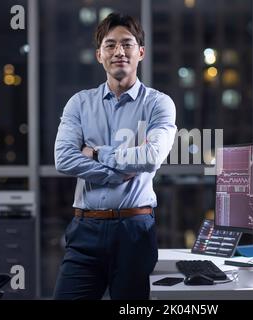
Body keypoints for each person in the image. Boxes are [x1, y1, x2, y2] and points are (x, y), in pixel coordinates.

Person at [53, 13, 177, 300]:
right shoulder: (79, 104)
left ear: (140, 52)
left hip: (134, 231)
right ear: (99, 55)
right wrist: (119, 172)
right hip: (85, 230)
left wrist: (97, 153)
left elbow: (151, 157)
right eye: (110, 45)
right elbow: (64, 159)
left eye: (127, 44)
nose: (119, 52)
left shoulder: (159, 104)